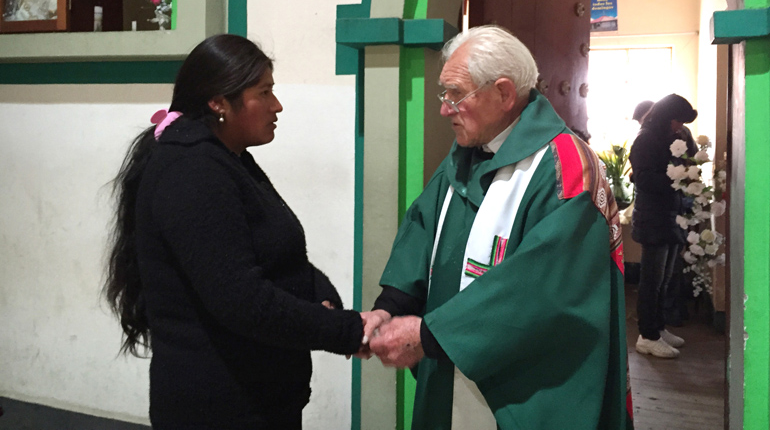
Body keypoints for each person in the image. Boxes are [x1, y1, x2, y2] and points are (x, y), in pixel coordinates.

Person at [359, 25, 631, 429]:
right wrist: (389, 308)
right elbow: (424, 229)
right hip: (451, 368)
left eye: (456, 94)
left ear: (504, 94)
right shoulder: (470, 150)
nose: (444, 109)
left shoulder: (567, 170)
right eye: (444, 93)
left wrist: (429, 336)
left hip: (529, 389)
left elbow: (540, 290)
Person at [104, 34, 365, 430]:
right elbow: (241, 299)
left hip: (257, 395)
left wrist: (319, 294)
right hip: (219, 406)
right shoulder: (192, 171)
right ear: (218, 102)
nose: (277, 105)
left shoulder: (228, 157)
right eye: (264, 92)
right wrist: (346, 331)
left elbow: (277, 251)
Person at [629, 94, 697, 359]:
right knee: (652, 281)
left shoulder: (671, 137)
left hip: (670, 215)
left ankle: (658, 327)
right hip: (653, 217)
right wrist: (676, 180)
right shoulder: (646, 140)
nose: (679, 126)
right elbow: (643, 179)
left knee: (665, 279)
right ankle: (647, 335)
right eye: (677, 121)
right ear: (665, 117)